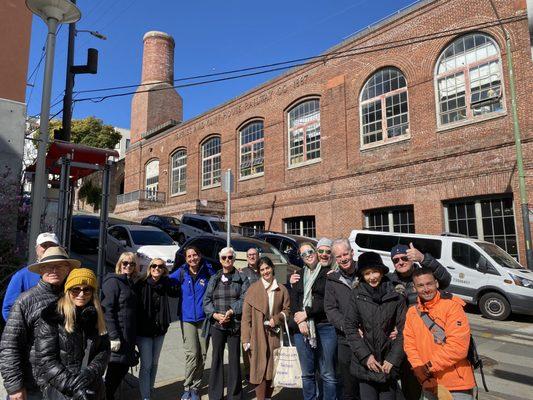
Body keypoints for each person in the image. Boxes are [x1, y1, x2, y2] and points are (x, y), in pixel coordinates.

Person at [0, 246, 80, 400]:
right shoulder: (25, 301)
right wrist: (15, 386)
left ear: (68, 268)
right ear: (41, 270)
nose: (54, 270)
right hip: (34, 386)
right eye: (49, 266)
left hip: (66, 386)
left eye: (60, 265)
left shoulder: (76, 299)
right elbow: (9, 345)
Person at [388, 243, 451, 400]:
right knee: (411, 387)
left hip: (429, 340)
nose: (400, 262)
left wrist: (423, 258)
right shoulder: (388, 281)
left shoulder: (424, 276)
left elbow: (445, 278)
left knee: (437, 386)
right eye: (396, 260)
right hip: (404, 343)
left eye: (404, 258)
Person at [35, 268, 110, 400]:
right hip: (62, 390)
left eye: (87, 289)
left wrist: (90, 373)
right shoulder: (52, 316)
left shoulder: (98, 315)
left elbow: (104, 350)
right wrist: (73, 386)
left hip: (93, 388)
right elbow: (46, 360)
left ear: (93, 292)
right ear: (68, 290)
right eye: (76, 289)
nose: (81, 294)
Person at [403, 268, 476, 400]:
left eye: (429, 284)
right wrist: (422, 375)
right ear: (414, 288)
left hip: (456, 384)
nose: (426, 289)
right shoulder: (412, 313)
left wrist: (427, 368)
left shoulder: (452, 306)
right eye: (420, 285)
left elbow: (458, 348)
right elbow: (409, 345)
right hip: (428, 382)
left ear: (436, 283)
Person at [344, 251, 406, 400]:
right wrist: (366, 357)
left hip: (387, 363)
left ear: (382, 272)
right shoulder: (356, 294)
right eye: (367, 274)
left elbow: (404, 330)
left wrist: (393, 358)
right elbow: (350, 327)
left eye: (375, 272)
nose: (372, 277)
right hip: (365, 364)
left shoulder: (396, 294)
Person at [289, 242, 338, 400]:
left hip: (324, 327)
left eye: (310, 251)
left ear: (316, 252)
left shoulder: (327, 273)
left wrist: (306, 313)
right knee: (307, 373)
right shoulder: (298, 275)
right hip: (302, 328)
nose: (308, 255)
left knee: (327, 372)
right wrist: (301, 320)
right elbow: (294, 300)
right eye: (303, 254)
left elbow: (326, 301)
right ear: (301, 258)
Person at [203, 247, 249, 400]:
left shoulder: (242, 278)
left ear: (234, 259)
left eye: (230, 257)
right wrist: (215, 315)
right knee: (216, 358)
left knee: (234, 359)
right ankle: (215, 395)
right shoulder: (214, 278)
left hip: (234, 324)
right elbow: (207, 300)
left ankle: (234, 395)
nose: (227, 260)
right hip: (217, 325)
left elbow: (244, 299)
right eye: (224, 258)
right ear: (220, 259)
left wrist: (230, 311)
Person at [241, 256, 290, 400]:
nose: (265, 271)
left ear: (272, 268)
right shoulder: (252, 289)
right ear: (259, 272)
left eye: (267, 268)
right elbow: (246, 318)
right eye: (262, 269)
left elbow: (287, 310)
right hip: (256, 335)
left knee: (271, 369)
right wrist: (245, 339)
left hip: (274, 334)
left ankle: (268, 397)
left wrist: (277, 319)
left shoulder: (281, 289)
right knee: (258, 369)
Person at [170, 246, 215, 400]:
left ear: (200, 255)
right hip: (187, 319)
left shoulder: (207, 272)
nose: (192, 258)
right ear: (186, 258)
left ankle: (196, 387)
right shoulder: (182, 272)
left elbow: (222, 281)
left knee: (202, 354)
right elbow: (166, 280)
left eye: (195, 255)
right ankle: (187, 386)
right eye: (189, 256)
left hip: (204, 319)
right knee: (192, 354)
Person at [135, 258, 180, 400]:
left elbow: (176, 290)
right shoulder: (141, 284)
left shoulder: (165, 284)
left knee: (154, 364)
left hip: (160, 330)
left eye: (160, 266)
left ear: (164, 269)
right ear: (149, 268)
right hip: (144, 332)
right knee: (146, 365)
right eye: (154, 266)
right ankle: (146, 397)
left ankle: (149, 390)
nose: (157, 268)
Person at [101, 252, 140, 400]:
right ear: (119, 264)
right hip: (118, 336)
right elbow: (107, 310)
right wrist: (114, 336)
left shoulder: (129, 282)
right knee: (114, 372)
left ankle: (108, 396)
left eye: (132, 263)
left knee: (122, 369)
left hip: (128, 337)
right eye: (125, 263)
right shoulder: (113, 282)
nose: (128, 266)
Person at [325, 239, 360, 400]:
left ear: (352, 252)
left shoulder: (366, 272)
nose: (343, 259)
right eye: (338, 256)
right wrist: (348, 327)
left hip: (368, 338)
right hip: (345, 339)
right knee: (349, 386)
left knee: (369, 385)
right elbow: (331, 309)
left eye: (345, 254)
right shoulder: (332, 280)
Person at [2, 232, 60, 322]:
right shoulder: (22, 276)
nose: (48, 248)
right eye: (44, 245)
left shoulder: (66, 273)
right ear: (36, 249)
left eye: (52, 245)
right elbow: (8, 309)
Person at [238, 246, 260, 381]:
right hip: (248, 312)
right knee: (247, 342)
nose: (252, 257)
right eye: (249, 255)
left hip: (263, 312)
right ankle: (249, 371)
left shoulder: (264, 269)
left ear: (258, 256)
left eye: (254, 254)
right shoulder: (242, 272)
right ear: (247, 258)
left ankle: (259, 368)